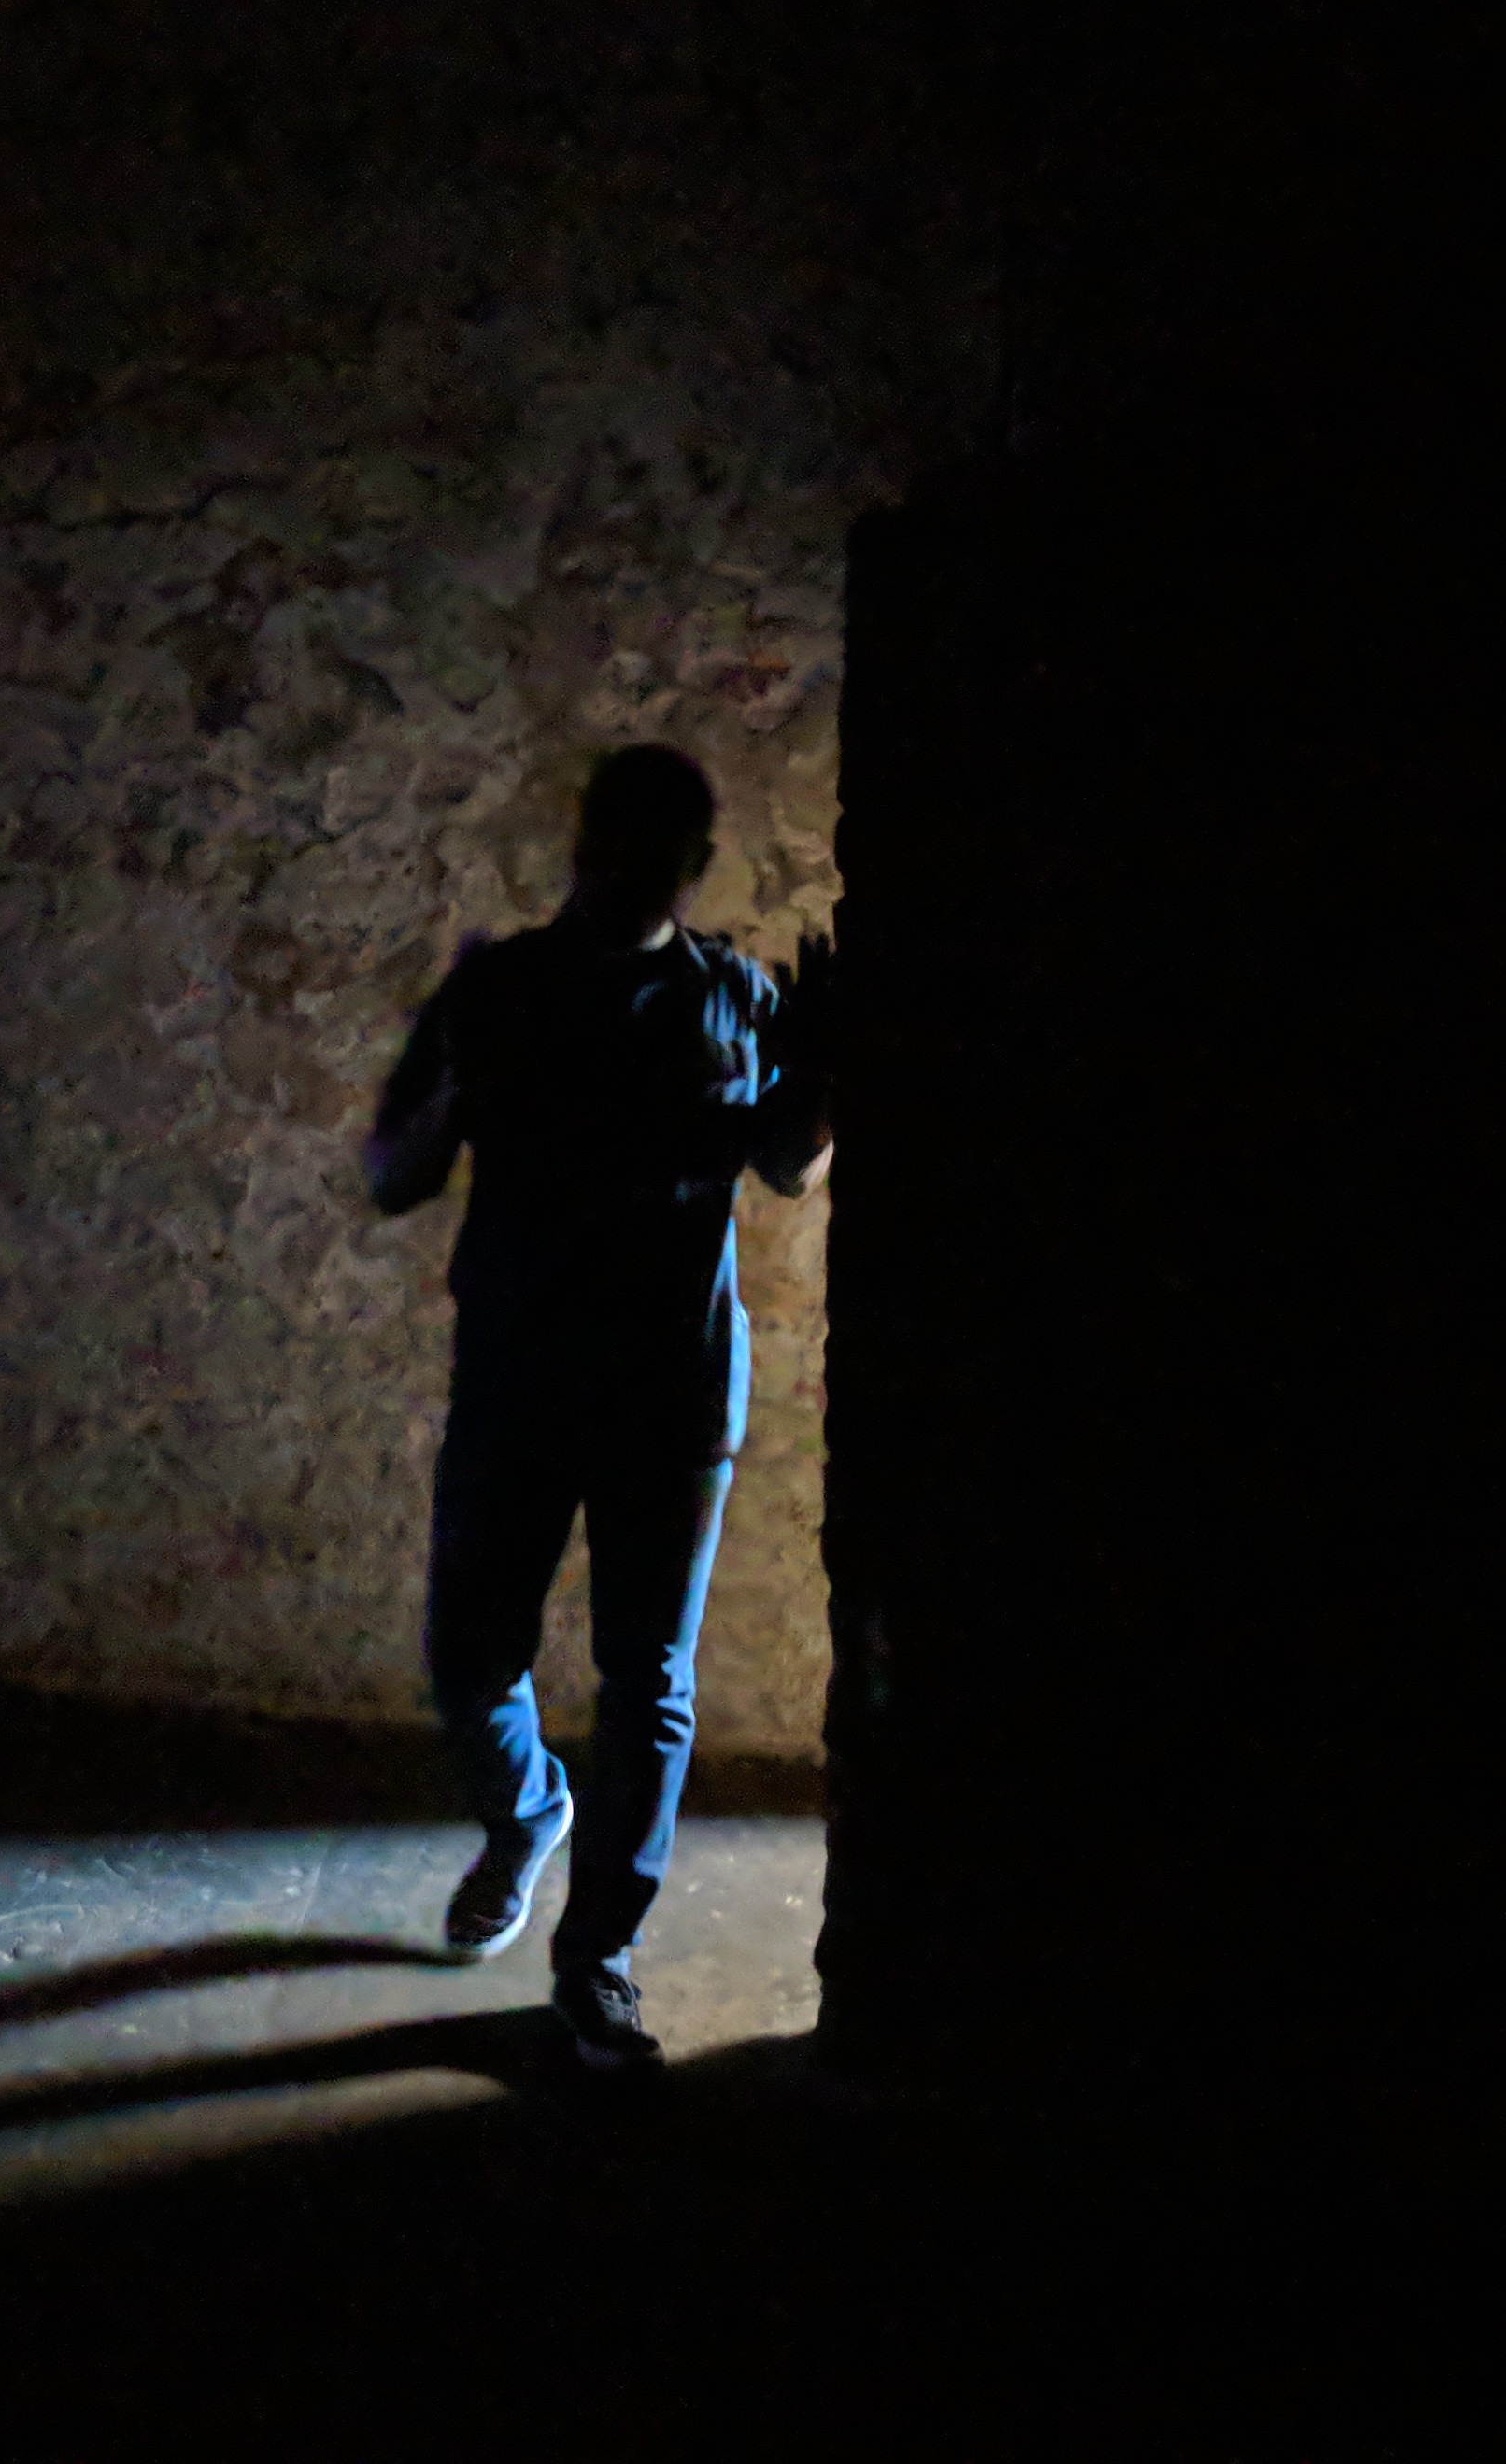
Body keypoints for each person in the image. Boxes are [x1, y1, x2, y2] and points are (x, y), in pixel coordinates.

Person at [364, 743, 833, 2075]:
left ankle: (598, 1960)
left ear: (693, 865)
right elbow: (394, 1173)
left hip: (671, 1395)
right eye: (621, 843)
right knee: (470, 1656)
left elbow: (787, 1164)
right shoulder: (497, 988)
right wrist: (455, 1085)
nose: (637, 871)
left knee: (648, 1682)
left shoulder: (732, 995)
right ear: (583, 844)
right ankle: (529, 1811)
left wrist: (822, 1068)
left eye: (662, 852)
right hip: (519, 1380)